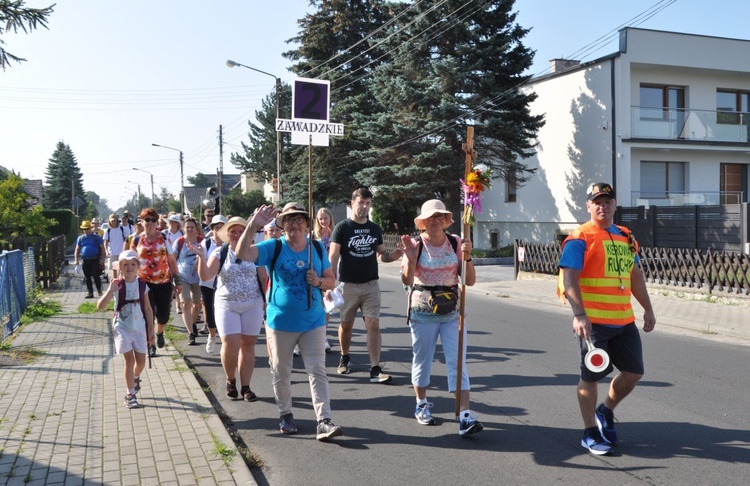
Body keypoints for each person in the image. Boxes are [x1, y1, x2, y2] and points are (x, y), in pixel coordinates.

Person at [558, 182, 656, 456]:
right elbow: (570, 278)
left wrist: (647, 309)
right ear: (588, 206)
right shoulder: (580, 237)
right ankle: (590, 432)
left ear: (615, 205)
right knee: (591, 377)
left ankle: (606, 410)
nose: (603, 205)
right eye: (597, 201)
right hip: (594, 324)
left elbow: (634, 274)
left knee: (634, 372)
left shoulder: (626, 236)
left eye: (607, 200)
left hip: (624, 321)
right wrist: (579, 314)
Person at [235, 202, 344, 441]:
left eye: (299, 219)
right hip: (280, 323)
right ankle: (285, 414)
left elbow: (331, 281)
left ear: (307, 224)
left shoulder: (316, 248)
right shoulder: (273, 247)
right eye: (289, 220)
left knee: (317, 371)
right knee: (281, 371)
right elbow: (242, 254)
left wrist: (316, 281)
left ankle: (324, 420)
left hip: (313, 321)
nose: (294, 224)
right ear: (282, 225)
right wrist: (253, 225)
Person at [400, 199, 483, 436]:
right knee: (423, 359)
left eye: (439, 217)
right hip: (423, 311)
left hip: (452, 312)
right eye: (430, 217)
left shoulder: (455, 242)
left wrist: (467, 257)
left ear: (445, 220)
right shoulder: (416, 244)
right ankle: (421, 404)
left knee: (458, 361)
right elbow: (407, 281)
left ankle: (465, 415)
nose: (435, 221)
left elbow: (469, 281)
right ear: (423, 222)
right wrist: (410, 256)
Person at [328, 187, 403, 382]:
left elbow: (381, 255)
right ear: (352, 203)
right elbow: (334, 255)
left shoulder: (374, 228)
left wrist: (392, 256)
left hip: (371, 285)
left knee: (373, 324)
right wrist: (329, 282)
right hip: (348, 285)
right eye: (361, 202)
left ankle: (375, 368)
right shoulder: (342, 228)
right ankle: (344, 358)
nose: (365, 207)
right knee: (346, 325)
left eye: (368, 203)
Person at [191, 216, 265, 403]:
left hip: (253, 304)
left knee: (248, 345)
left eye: (241, 231)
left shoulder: (256, 252)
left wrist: (266, 300)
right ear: (228, 234)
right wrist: (201, 257)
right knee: (230, 344)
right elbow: (207, 276)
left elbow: (263, 278)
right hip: (227, 304)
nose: (237, 235)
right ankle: (230, 380)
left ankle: (246, 387)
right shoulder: (220, 252)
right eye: (233, 231)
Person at [97, 250, 155, 409]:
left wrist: (151, 329)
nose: (129, 267)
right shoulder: (116, 284)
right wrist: (110, 290)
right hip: (121, 327)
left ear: (138, 267)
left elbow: (148, 309)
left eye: (132, 264)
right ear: (120, 267)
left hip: (139, 328)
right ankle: (130, 394)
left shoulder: (142, 284)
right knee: (129, 360)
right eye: (125, 264)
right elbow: (100, 306)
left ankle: (135, 378)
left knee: (141, 362)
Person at [131, 208, 181, 358]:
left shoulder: (165, 238)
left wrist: (177, 279)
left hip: (163, 281)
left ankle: (159, 332)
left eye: (154, 220)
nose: (151, 223)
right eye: (147, 220)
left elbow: (171, 259)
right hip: (144, 282)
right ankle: (150, 344)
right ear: (141, 221)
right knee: (148, 315)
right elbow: (130, 262)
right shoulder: (135, 240)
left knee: (164, 315)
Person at [198, 215, 227, 354]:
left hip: (226, 284)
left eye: (222, 228)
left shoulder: (231, 244)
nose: (219, 230)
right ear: (212, 229)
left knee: (224, 311)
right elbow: (201, 262)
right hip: (208, 282)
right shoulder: (206, 243)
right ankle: (212, 335)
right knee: (210, 310)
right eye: (216, 228)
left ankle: (225, 339)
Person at [174, 218, 204, 345]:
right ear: (183, 229)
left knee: (197, 305)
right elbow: (173, 260)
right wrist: (174, 277)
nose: (190, 229)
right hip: (183, 277)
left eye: (192, 227)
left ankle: (192, 323)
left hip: (198, 277)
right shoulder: (179, 242)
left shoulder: (202, 241)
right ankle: (190, 333)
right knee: (186, 304)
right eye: (187, 227)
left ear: (196, 229)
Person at [314, 207, 335, 353]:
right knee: (314, 305)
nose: (323, 221)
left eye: (325, 218)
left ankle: (323, 337)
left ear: (330, 219)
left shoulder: (335, 234)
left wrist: (329, 239)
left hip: (329, 274)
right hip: (315, 274)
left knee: (326, 306)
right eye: (320, 219)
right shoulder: (313, 236)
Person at [74, 220, 106, 299]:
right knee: (87, 277)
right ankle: (90, 292)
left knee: (96, 275)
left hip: (95, 259)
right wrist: (76, 260)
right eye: (84, 229)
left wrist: (102, 259)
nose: (86, 230)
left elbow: (102, 248)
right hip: (85, 259)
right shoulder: (81, 238)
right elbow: (77, 249)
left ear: (90, 228)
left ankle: (99, 290)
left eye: (87, 229)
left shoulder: (96, 237)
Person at [103, 213, 130, 279]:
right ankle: (114, 283)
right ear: (109, 221)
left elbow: (127, 240)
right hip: (112, 253)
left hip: (121, 252)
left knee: (122, 269)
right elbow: (105, 242)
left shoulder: (122, 229)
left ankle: (121, 282)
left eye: (114, 221)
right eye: (112, 221)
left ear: (117, 220)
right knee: (113, 270)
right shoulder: (108, 231)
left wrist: (127, 251)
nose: (113, 222)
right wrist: (106, 251)